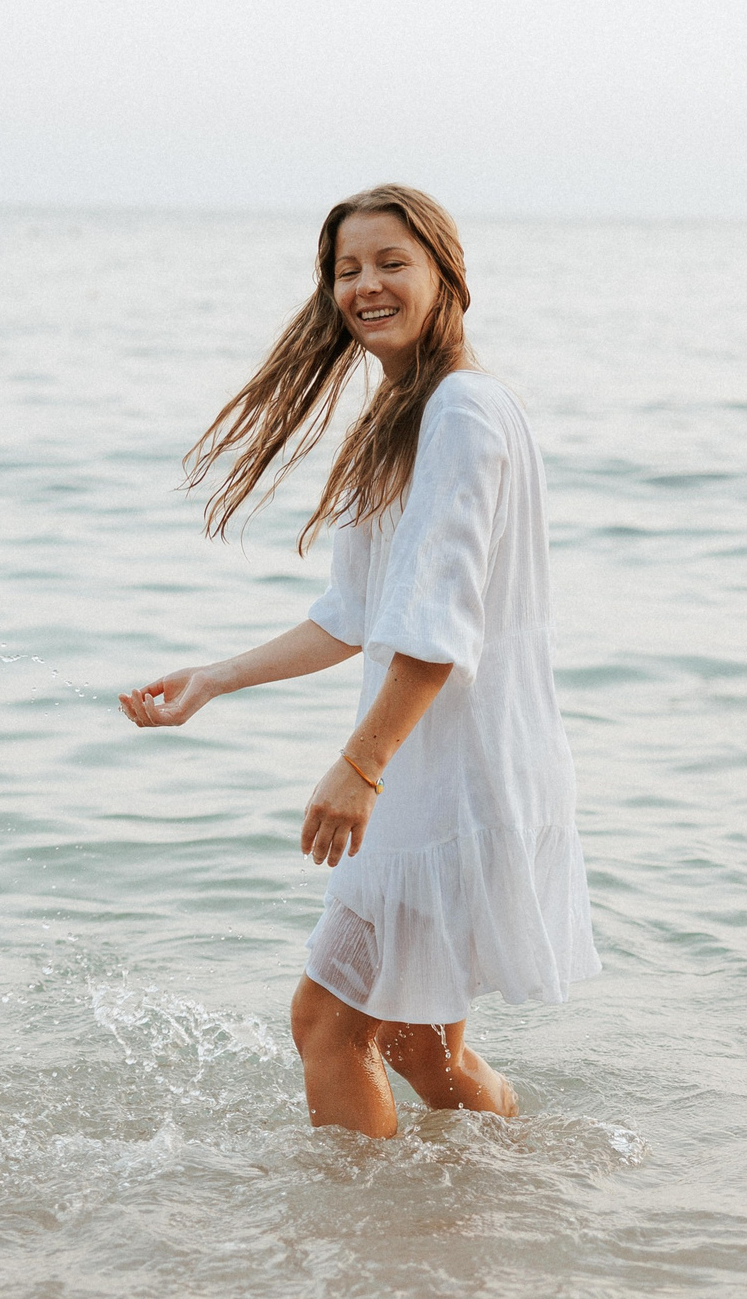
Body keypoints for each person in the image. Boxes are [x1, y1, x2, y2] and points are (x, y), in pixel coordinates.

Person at [119, 184, 598, 1138]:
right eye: (346, 270)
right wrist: (214, 679)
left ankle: (372, 1258)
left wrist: (362, 765)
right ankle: (506, 1194)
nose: (365, 286)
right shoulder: (411, 415)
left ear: (444, 276)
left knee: (329, 1025)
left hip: (442, 783)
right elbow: (357, 618)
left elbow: (439, 625)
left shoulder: (460, 411)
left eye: (391, 264)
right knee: (420, 1045)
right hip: (453, 776)